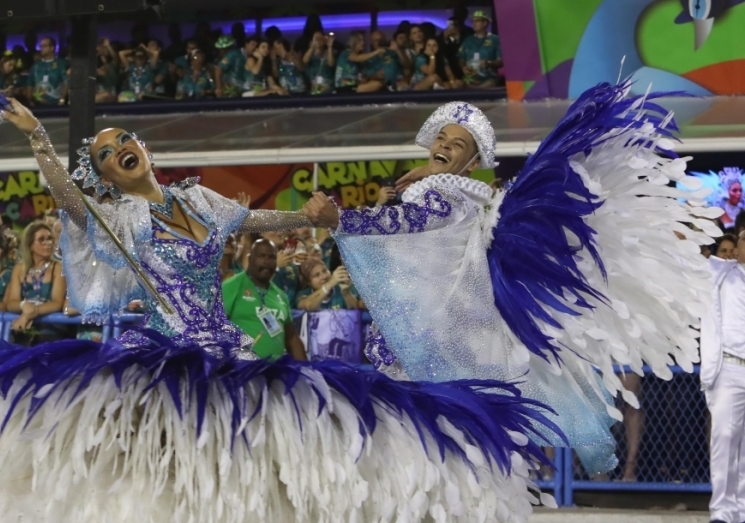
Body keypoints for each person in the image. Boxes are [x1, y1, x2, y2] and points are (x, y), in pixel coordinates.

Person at [0, 97, 559, 523]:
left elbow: (262, 227)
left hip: (222, 359)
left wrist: (315, 217)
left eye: (125, 138)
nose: (122, 147)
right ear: (106, 173)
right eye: (107, 150)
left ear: (144, 149)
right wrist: (36, 138)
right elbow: (66, 197)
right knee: (148, 476)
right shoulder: (119, 220)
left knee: (216, 478)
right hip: (153, 362)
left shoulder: (200, 199)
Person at [302, 85, 719, 479]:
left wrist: (340, 218)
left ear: (471, 162)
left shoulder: (442, 197)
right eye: (442, 139)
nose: (445, 146)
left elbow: (407, 220)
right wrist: (425, 177)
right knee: (437, 443)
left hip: (427, 342)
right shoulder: (463, 197)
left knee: (417, 446)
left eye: (457, 145)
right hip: (437, 340)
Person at [700, 234, 745, 523]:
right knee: (724, 437)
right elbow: (693, 261)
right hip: (729, 366)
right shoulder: (721, 273)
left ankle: (740, 512)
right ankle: (721, 510)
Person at [222, 239, 305, 361]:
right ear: (250, 259)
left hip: (276, 370)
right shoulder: (232, 286)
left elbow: (291, 337)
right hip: (242, 370)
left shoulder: (280, 295)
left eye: (271, 257)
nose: (267, 262)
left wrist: (307, 369)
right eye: (261, 256)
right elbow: (215, 326)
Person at [4, 220, 67, 345]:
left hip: (51, 330)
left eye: (50, 239)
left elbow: (56, 303)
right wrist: (23, 305)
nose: (48, 243)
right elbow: (11, 303)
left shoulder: (59, 267)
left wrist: (28, 314)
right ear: (30, 244)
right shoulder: (19, 269)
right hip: (24, 329)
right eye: (41, 240)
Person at [458, 9, 502, 88]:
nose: (474, 24)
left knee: (490, 83)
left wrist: (489, 63)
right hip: (470, 80)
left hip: (488, 80)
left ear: (485, 23)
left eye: (477, 21)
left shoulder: (495, 40)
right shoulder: (467, 40)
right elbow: (461, 58)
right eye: (473, 21)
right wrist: (463, 67)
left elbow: (501, 61)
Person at [29, 36, 68, 106]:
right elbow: (29, 84)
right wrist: (30, 101)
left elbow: (66, 82)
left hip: (56, 104)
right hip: (37, 105)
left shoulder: (61, 64)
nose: (41, 48)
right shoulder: (36, 66)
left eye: (44, 46)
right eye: (41, 46)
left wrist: (62, 99)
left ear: (52, 48)